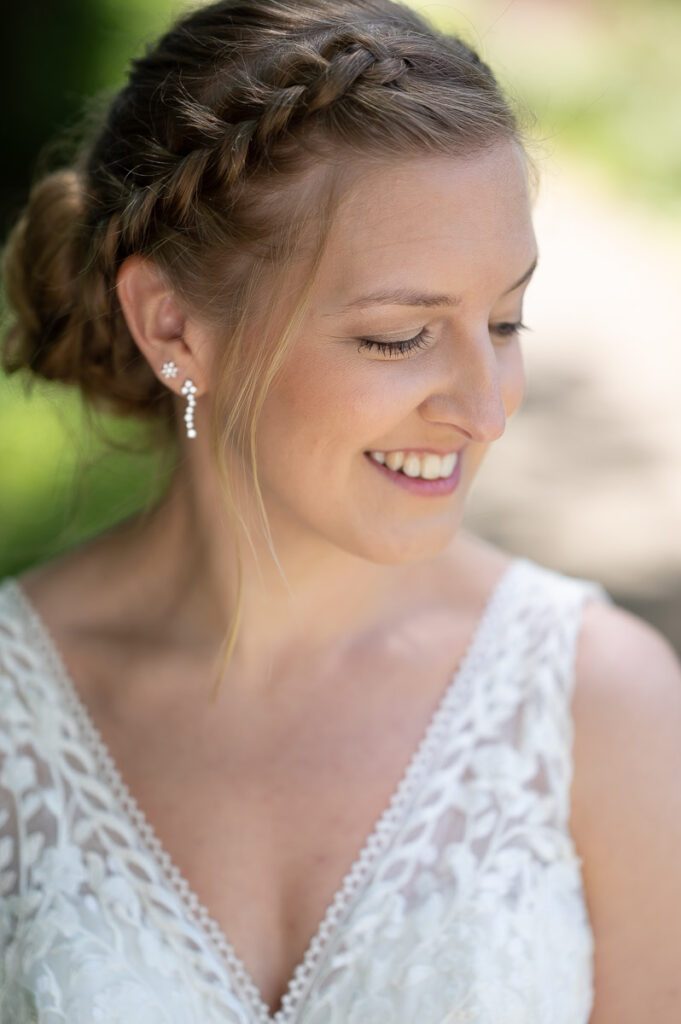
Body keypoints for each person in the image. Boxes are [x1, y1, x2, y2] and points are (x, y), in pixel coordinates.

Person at [1, 0, 680, 1021]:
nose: (487, 409)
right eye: (400, 337)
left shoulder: (603, 704)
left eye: (504, 320)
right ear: (172, 324)